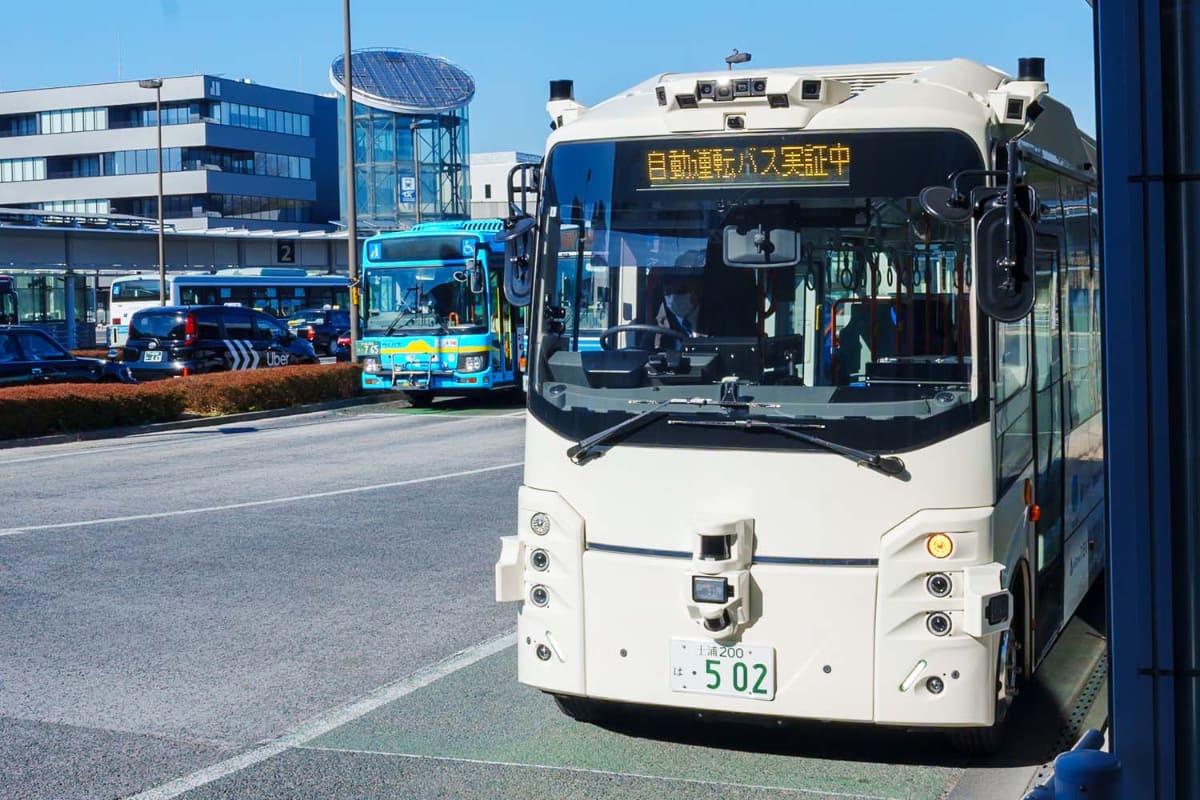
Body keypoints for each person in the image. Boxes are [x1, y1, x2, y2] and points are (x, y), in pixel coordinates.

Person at [656, 270, 703, 339]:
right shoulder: (657, 328)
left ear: (696, 291)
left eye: (680, 291)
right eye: (668, 292)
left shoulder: (714, 321)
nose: (673, 298)